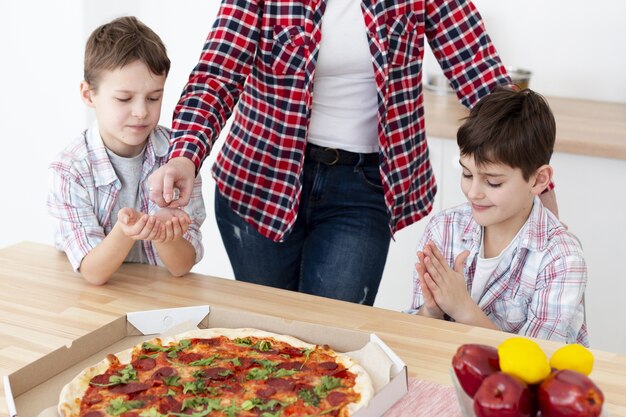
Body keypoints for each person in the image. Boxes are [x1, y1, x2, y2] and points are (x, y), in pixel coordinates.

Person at [148, 0, 557, 305]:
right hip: (262, 179)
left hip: (363, 187)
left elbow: (480, 71)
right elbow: (217, 74)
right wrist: (186, 153)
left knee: (332, 345)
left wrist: (533, 175)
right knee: (265, 337)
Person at [409, 87, 588, 346]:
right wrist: (432, 311)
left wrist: (463, 310)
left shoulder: (561, 257)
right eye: (467, 174)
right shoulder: (444, 229)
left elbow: (537, 360)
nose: (473, 192)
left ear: (538, 180)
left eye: (492, 182)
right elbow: (414, 335)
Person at [47, 16, 206, 285]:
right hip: (93, 302)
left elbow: (181, 267)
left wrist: (165, 234)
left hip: (161, 297)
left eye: (154, 97)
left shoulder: (178, 158)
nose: (142, 112)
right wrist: (125, 231)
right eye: (124, 98)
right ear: (88, 95)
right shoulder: (70, 170)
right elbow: (93, 273)